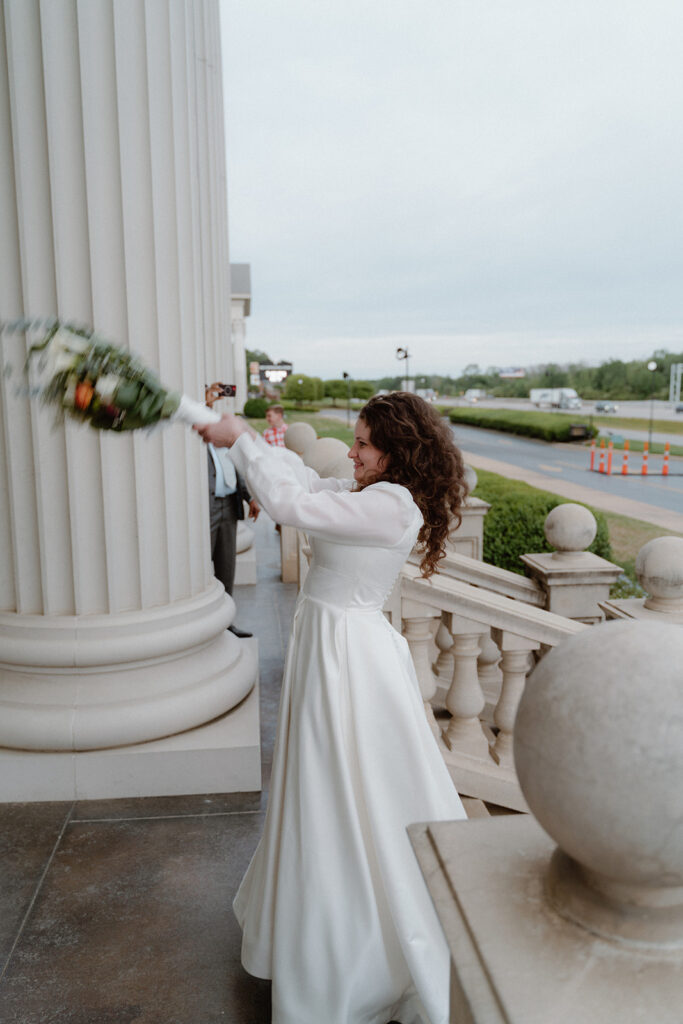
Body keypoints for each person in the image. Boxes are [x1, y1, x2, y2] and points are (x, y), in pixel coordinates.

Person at [195, 393, 468, 1024]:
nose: (353, 451)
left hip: (351, 659)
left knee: (345, 788)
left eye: (365, 443)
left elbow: (292, 505)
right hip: (331, 648)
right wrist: (252, 443)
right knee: (325, 784)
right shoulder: (366, 489)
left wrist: (239, 440)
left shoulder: (389, 503)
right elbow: (306, 481)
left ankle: (356, 954)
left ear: (397, 452)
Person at [205, 383, 259, 638]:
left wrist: (251, 497)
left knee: (227, 565)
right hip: (206, 506)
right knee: (203, 566)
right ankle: (204, 622)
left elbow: (234, 472)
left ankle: (227, 621)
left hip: (229, 505)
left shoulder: (224, 442)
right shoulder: (198, 438)